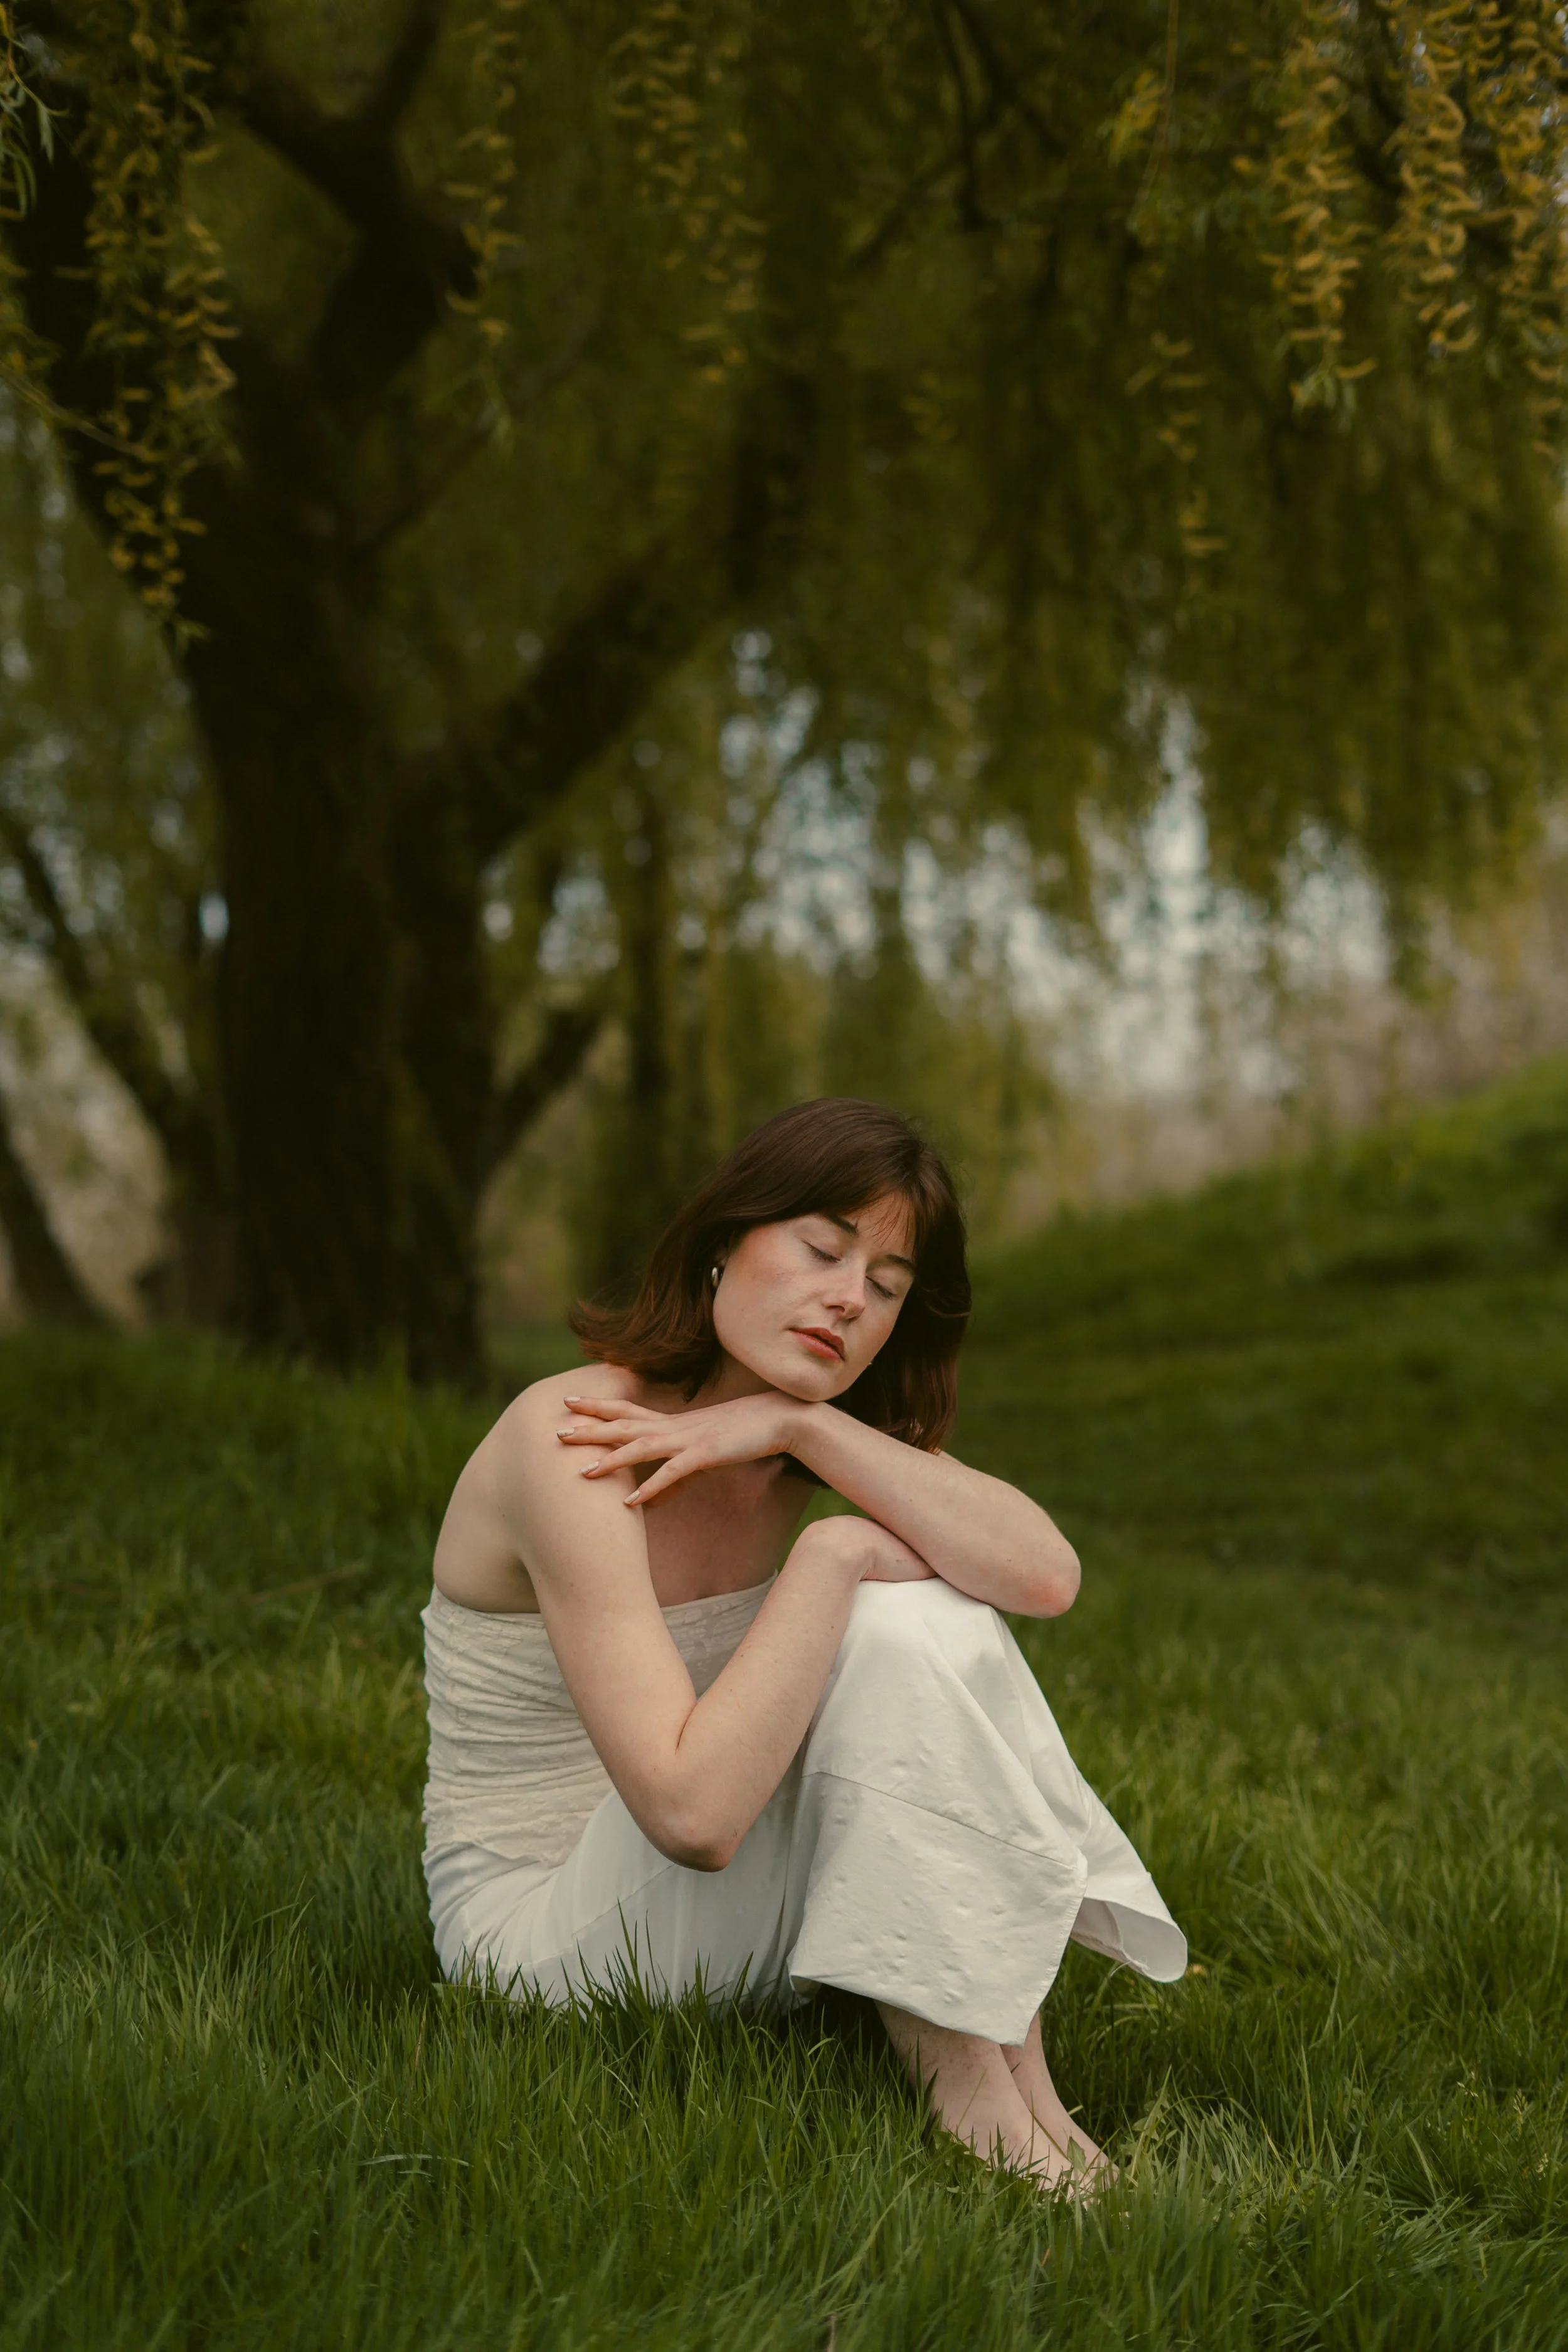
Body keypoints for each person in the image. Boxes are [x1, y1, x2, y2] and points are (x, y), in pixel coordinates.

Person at [423, 1098, 1185, 2191]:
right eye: (823, 1249)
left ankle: (1030, 2094)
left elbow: (1045, 1575)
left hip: (716, 1913)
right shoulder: (576, 1434)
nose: (848, 1298)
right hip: (541, 1941)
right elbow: (691, 1817)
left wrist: (801, 1426)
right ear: (726, 1240)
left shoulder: (809, 1439)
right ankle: (976, 2104)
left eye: (886, 1286)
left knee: (924, 1609)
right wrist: (833, 1553)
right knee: (876, 1600)